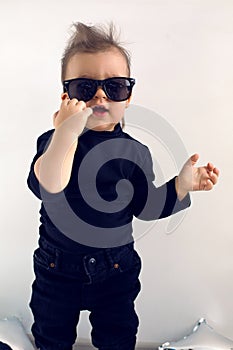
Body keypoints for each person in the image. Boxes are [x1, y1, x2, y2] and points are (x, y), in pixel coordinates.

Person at [27, 22, 219, 350]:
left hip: (115, 269)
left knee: (118, 337)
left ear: (128, 97)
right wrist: (66, 132)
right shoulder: (54, 142)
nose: (100, 95)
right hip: (57, 268)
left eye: (114, 86)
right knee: (51, 336)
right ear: (66, 97)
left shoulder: (134, 152)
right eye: (85, 88)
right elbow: (50, 184)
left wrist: (181, 186)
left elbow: (145, 208)